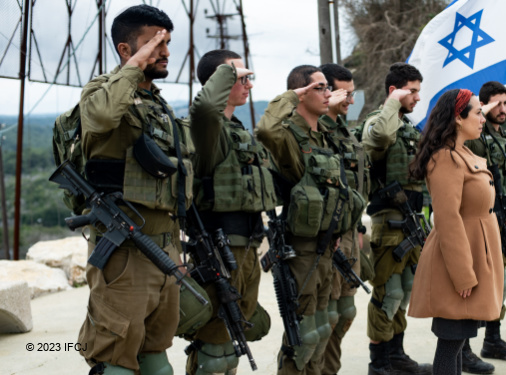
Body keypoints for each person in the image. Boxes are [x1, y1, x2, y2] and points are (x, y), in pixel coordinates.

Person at [77, 5, 191, 374]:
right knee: (116, 361)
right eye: (154, 43)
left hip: (163, 247)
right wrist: (133, 69)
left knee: (157, 360)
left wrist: (176, 248)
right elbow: (102, 116)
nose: (165, 52)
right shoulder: (102, 91)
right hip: (125, 252)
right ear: (126, 50)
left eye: (168, 42)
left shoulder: (158, 105)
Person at [256, 65, 364, 375]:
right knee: (303, 336)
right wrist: (290, 97)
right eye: (319, 87)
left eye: (327, 87)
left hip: (330, 249)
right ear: (302, 94)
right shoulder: (291, 136)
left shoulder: (326, 136)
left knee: (323, 329)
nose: (328, 93)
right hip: (302, 251)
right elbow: (266, 130)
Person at [185, 49, 275, 374]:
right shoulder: (206, 128)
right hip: (220, 249)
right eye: (240, 78)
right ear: (219, 81)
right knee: (214, 348)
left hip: (247, 245)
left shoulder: (238, 130)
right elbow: (206, 108)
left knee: (233, 341)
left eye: (248, 78)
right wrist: (228, 72)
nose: (248, 84)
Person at [407, 88, 505, 375]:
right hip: (460, 262)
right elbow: (448, 219)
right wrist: (463, 273)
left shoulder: (462, 152)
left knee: (459, 341)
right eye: (477, 112)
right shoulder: (446, 159)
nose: (483, 118)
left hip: (475, 255)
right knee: (451, 342)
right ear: (458, 119)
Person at [360, 62, 432, 375]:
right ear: (394, 91)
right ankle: (379, 363)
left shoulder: (408, 127)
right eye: (411, 91)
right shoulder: (379, 122)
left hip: (412, 221)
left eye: (418, 90)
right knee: (387, 293)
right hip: (388, 222)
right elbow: (377, 141)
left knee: (404, 290)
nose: (417, 97)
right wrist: (391, 104)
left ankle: (396, 353)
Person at [462, 81, 506, 372]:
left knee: (498, 284)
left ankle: (492, 339)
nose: (503, 109)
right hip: (480, 220)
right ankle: (462, 348)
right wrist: (479, 112)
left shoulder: (505, 137)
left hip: (504, 219)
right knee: (472, 285)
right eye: (495, 104)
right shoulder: (477, 137)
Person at [318, 63, 370, 375]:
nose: (350, 101)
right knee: (322, 320)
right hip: (326, 237)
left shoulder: (346, 134)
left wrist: (358, 226)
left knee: (345, 311)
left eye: (352, 94)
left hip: (350, 233)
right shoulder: (312, 130)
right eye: (343, 93)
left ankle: (330, 369)